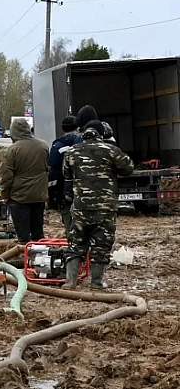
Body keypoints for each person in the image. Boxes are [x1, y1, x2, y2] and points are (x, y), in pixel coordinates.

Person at [62, 120, 134, 289]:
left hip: (80, 207)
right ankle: (96, 282)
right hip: (105, 208)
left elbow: (66, 174)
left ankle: (70, 282)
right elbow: (129, 168)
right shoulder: (110, 150)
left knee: (76, 244)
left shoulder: (71, 152)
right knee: (101, 245)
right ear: (102, 134)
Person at [0, 118, 50, 244]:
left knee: (23, 237)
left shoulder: (13, 150)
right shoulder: (43, 146)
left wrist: (5, 194)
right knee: (38, 234)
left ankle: (25, 253)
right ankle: (40, 254)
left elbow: (7, 176)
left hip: (19, 197)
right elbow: (47, 168)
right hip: (39, 195)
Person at [48, 116, 79, 237]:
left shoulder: (58, 146)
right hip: (84, 191)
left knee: (69, 224)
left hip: (64, 191)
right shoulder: (83, 143)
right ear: (77, 127)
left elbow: (53, 171)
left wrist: (52, 196)